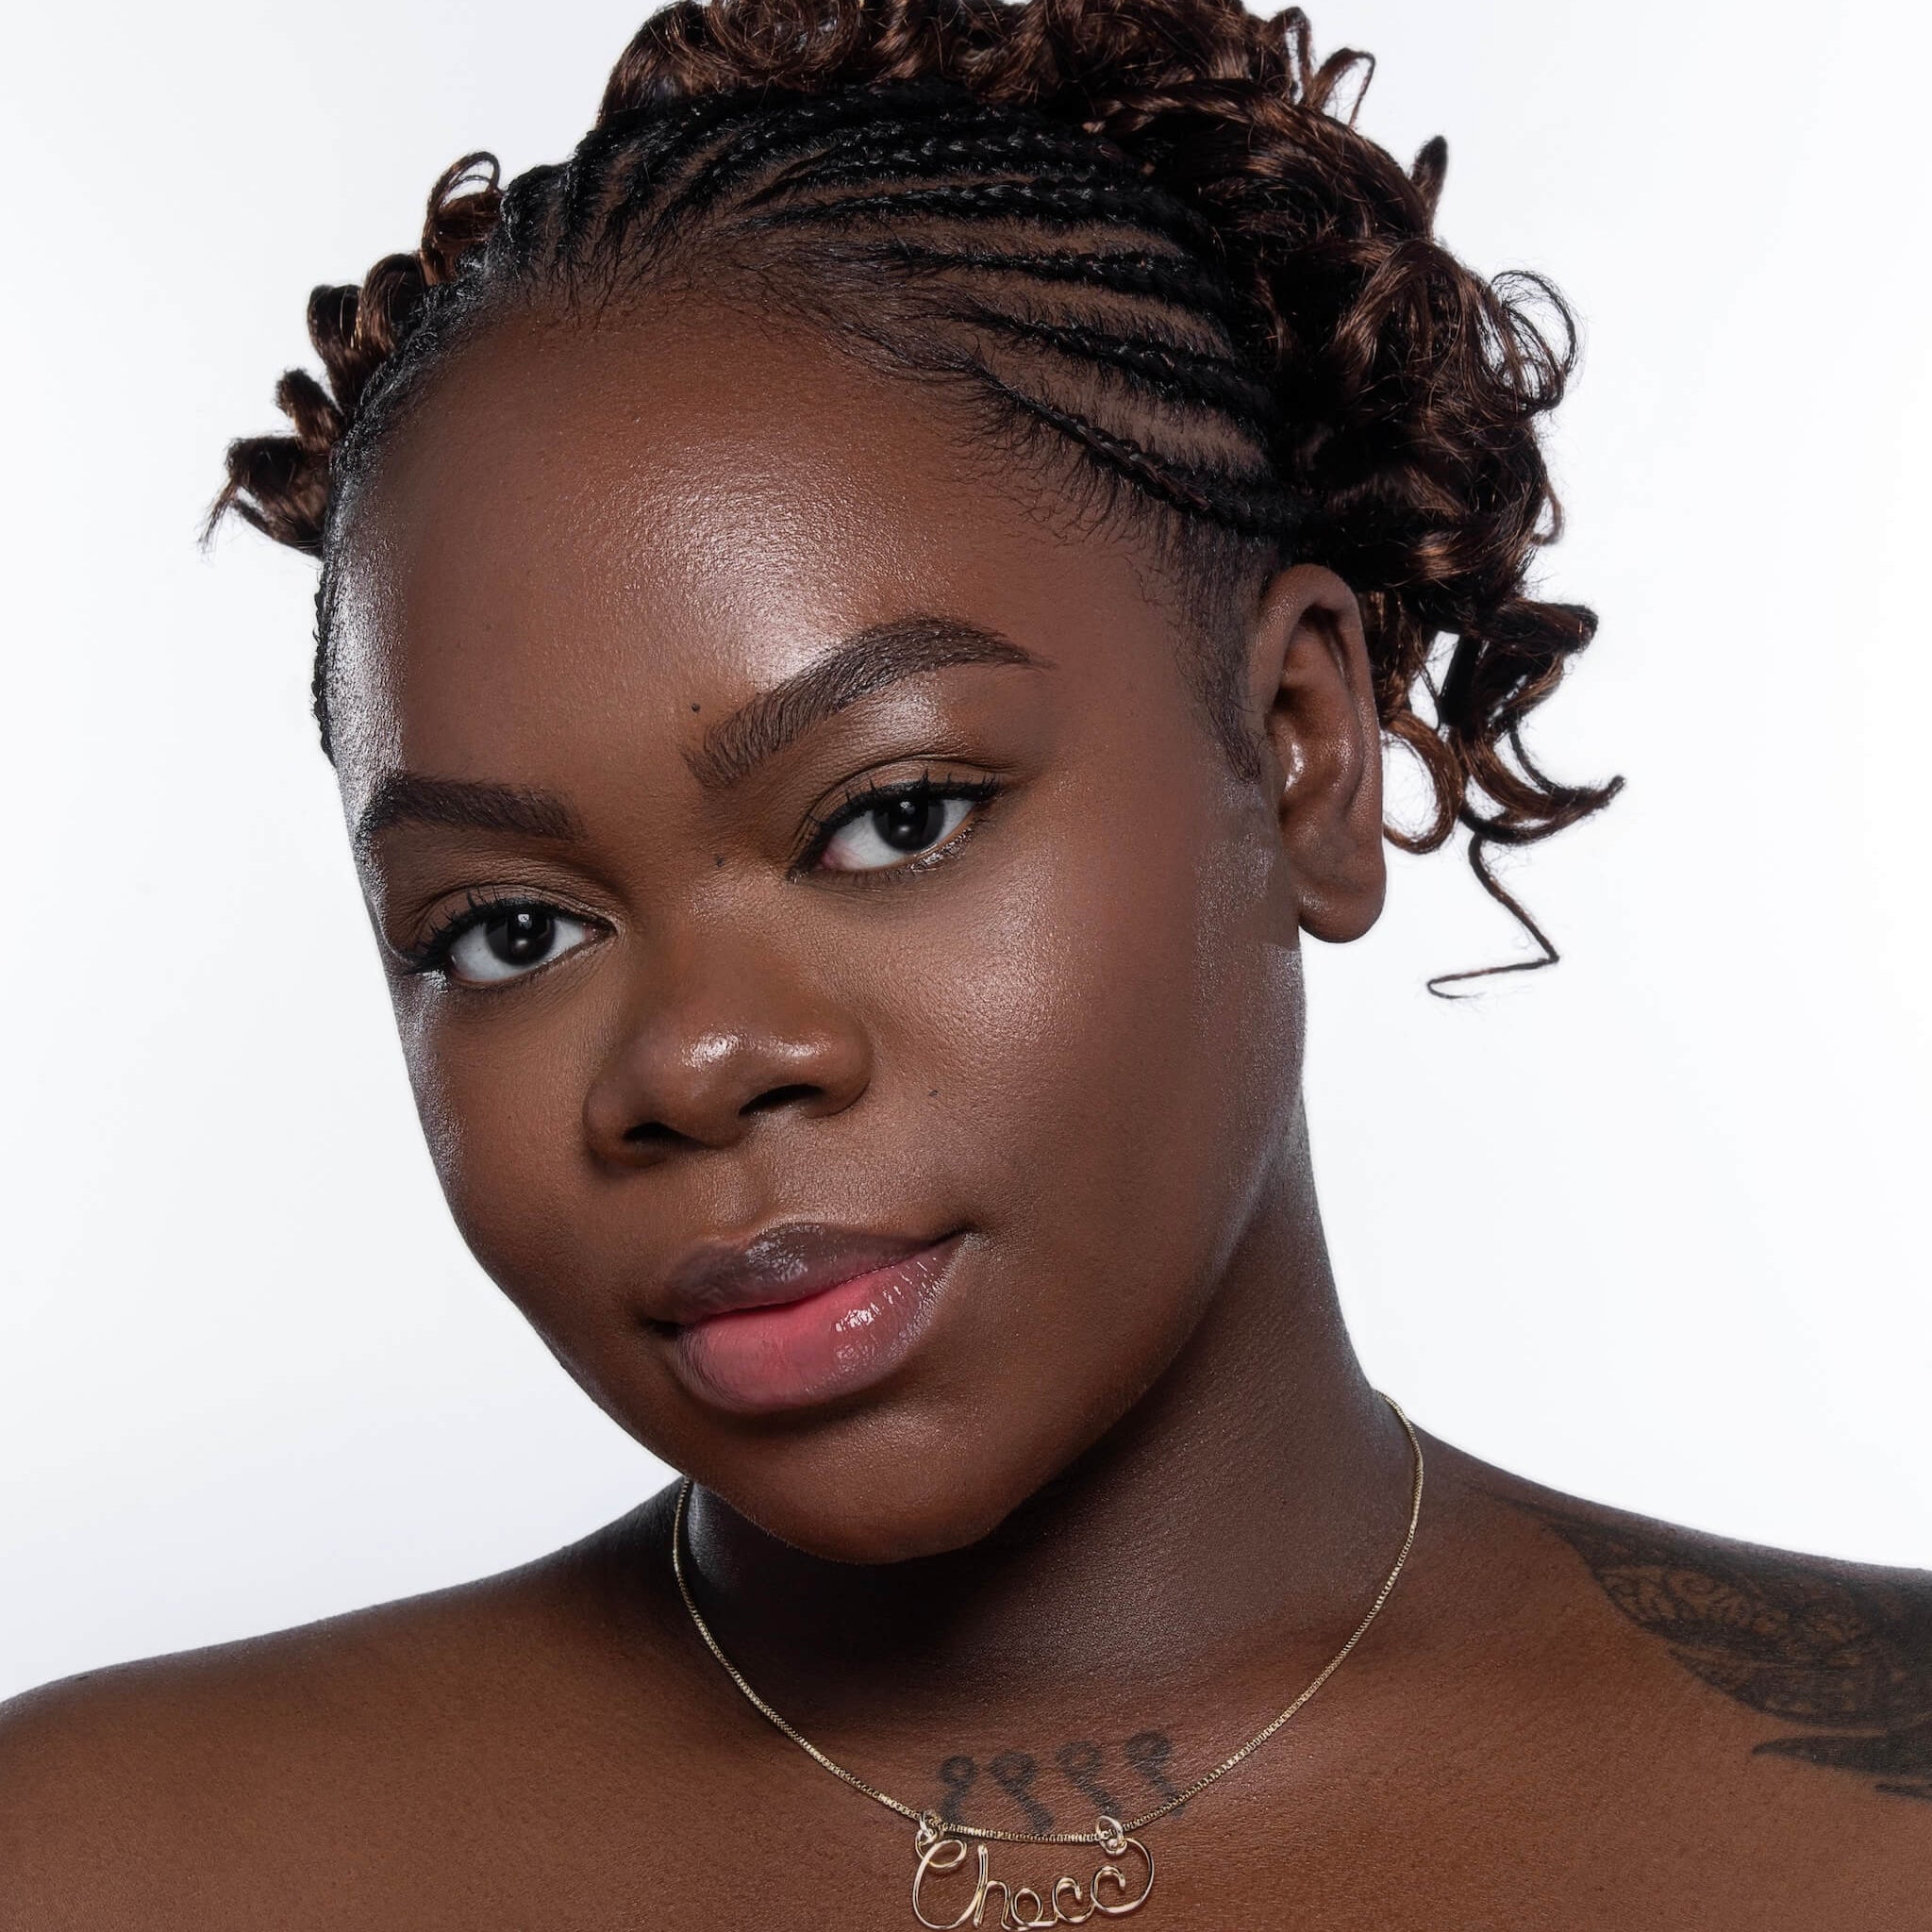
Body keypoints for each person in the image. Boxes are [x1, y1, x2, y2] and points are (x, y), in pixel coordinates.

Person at [2, 1, 1924, 1924]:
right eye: (513, 930)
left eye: (897, 816)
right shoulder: (99, 1860)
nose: (697, 1061)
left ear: (1301, 751)